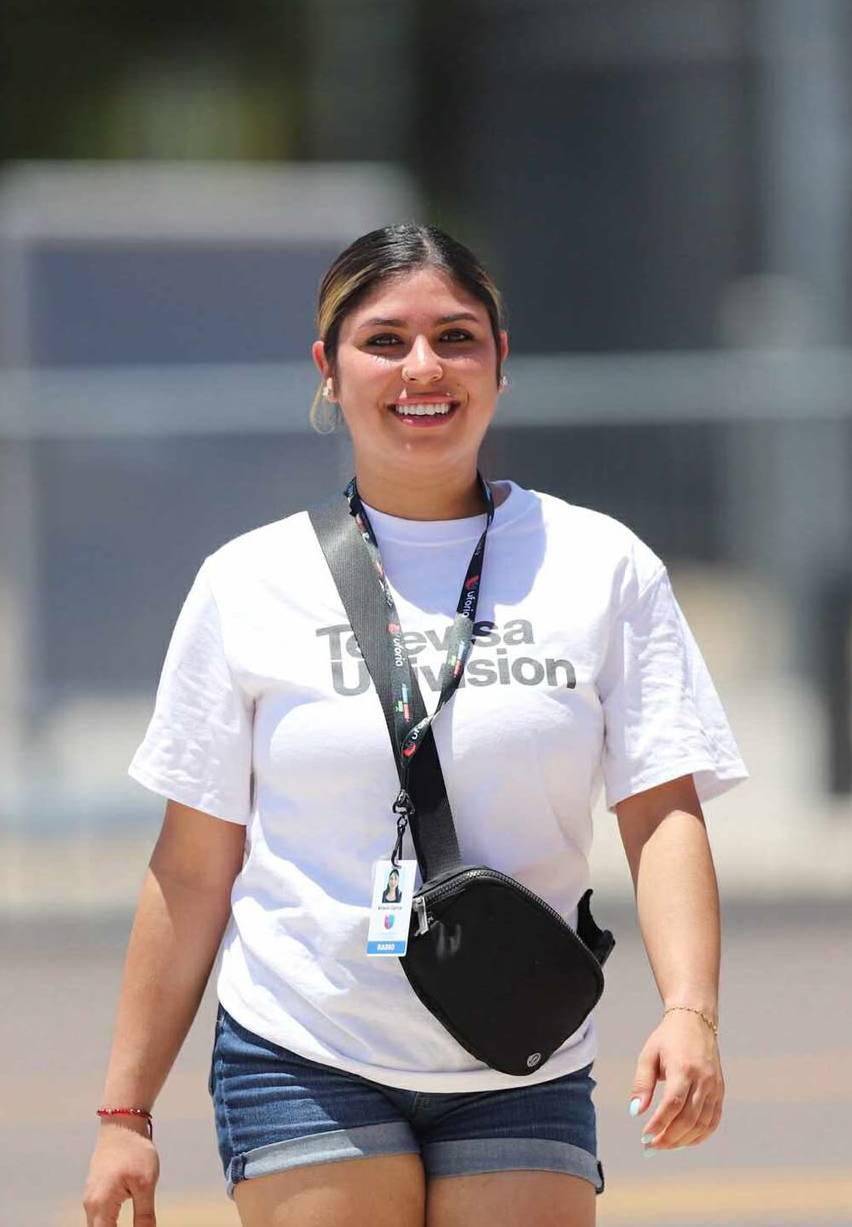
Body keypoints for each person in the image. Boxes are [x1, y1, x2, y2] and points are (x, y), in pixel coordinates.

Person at [83, 222, 748, 1227]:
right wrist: (124, 1111)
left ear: (500, 360)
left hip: (522, 1048)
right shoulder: (246, 582)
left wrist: (691, 1010)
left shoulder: (600, 566)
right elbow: (192, 864)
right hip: (304, 1049)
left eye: (456, 337)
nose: (423, 368)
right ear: (329, 368)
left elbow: (662, 813)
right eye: (385, 341)